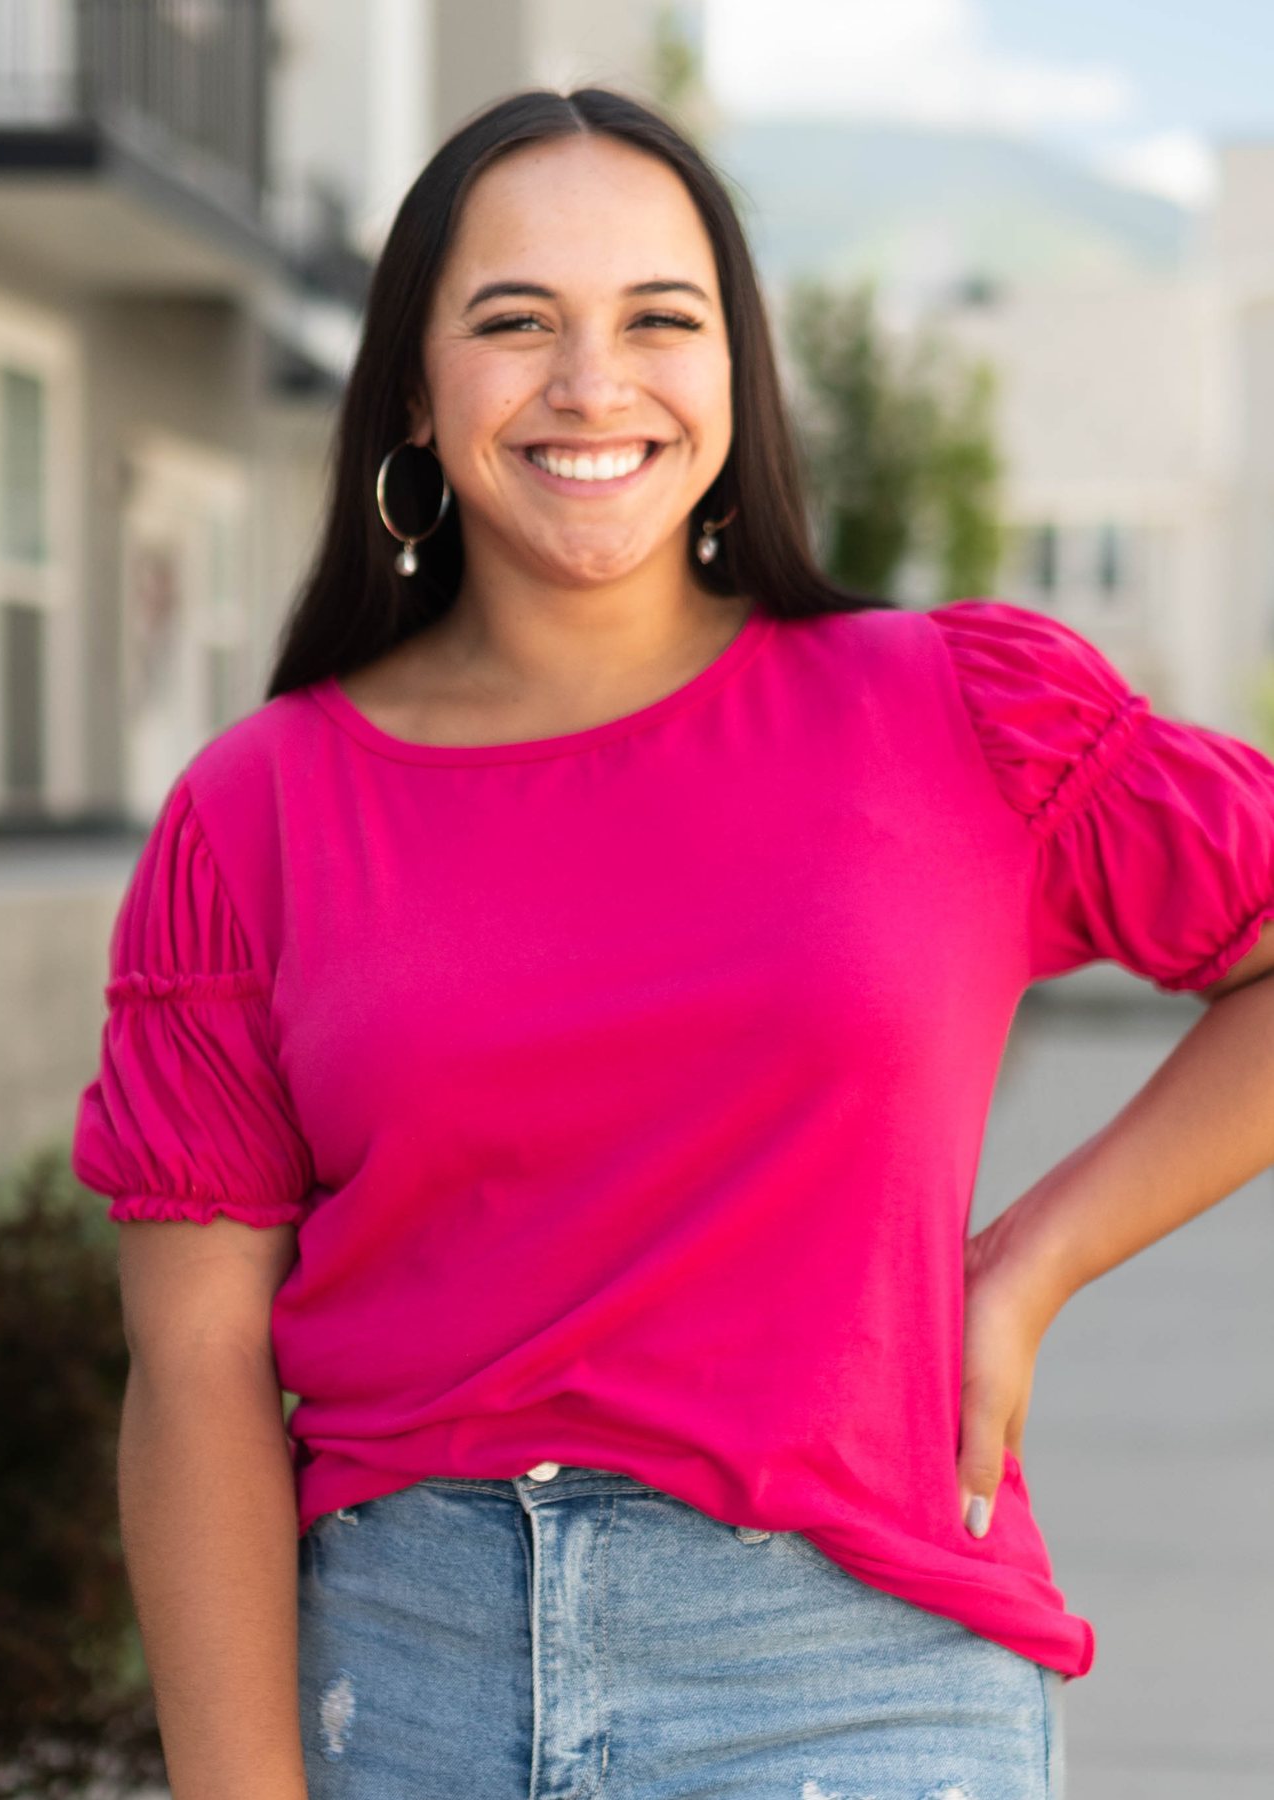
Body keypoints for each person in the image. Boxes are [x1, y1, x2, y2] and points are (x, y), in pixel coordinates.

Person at [74, 89, 1274, 1800]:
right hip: (398, 1687)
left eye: (659, 319)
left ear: (734, 369)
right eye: (514, 323)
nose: (591, 383)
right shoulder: (254, 817)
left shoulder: (946, 713)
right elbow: (193, 1372)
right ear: (414, 384)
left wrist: (1031, 1262)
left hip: (849, 1686)